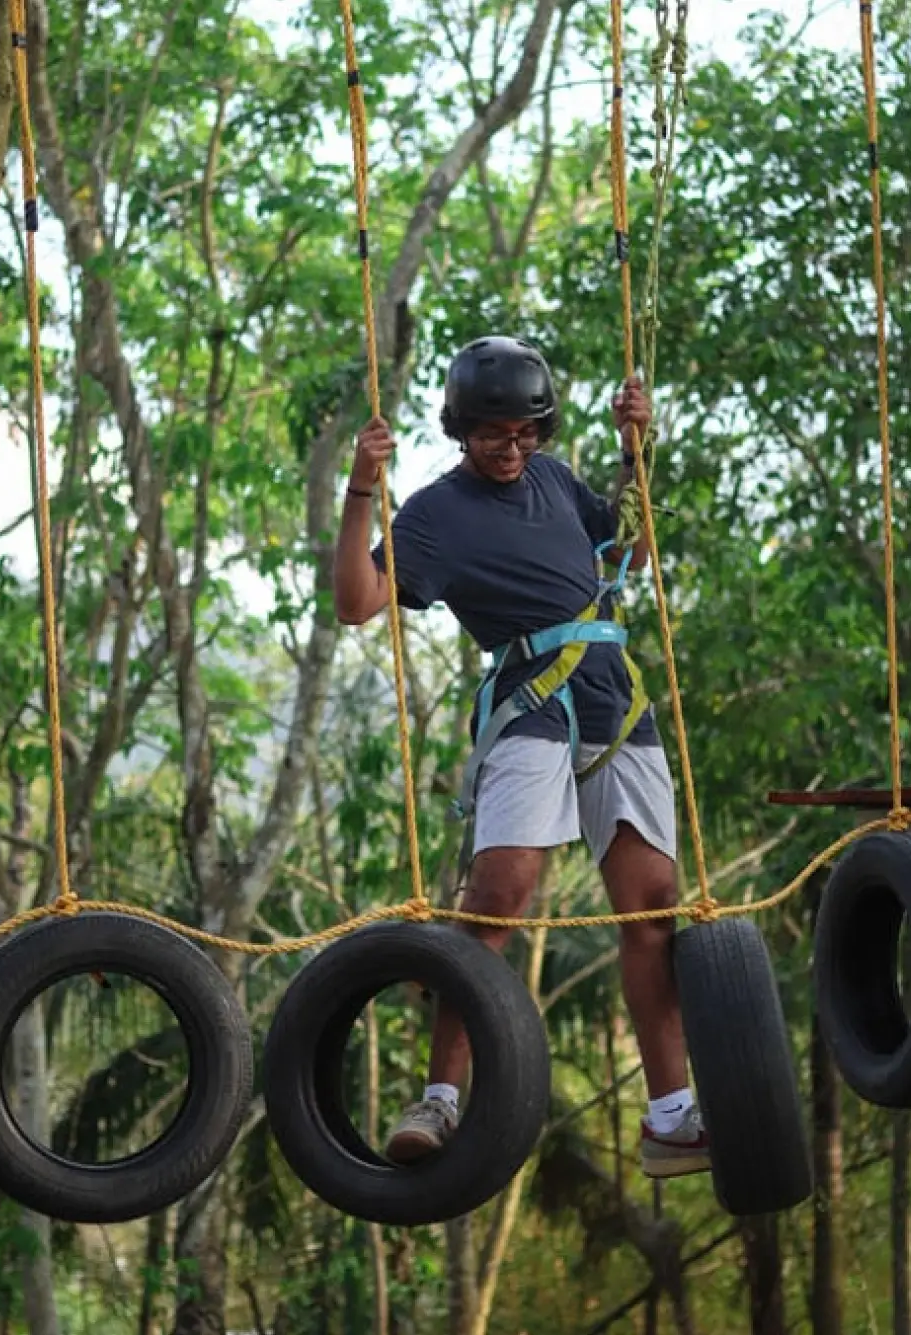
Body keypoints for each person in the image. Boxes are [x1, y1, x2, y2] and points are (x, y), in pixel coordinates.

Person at [332, 335, 709, 1181]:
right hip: (532, 702)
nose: (512, 449)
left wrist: (632, 451)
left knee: (651, 910)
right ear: (462, 430)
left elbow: (628, 556)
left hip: (617, 698)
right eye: (495, 434)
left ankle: (672, 1116)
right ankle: (438, 1095)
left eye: (526, 433)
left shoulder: (554, 476)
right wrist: (362, 485)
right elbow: (357, 602)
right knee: (499, 893)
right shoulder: (434, 513)